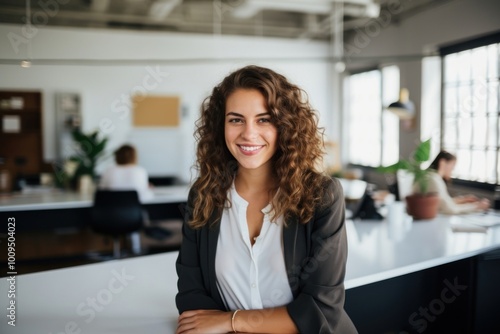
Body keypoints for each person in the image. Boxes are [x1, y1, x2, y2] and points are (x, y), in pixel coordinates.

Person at [175, 65, 357, 334]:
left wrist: (231, 321)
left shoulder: (321, 195)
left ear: (285, 125)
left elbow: (321, 309)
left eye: (264, 119)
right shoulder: (204, 195)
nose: (249, 133)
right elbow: (192, 293)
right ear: (220, 126)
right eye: (236, 119)